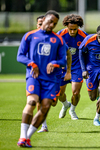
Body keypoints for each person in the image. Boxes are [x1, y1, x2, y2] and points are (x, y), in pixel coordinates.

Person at [17, 10, 67, 147]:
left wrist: (55, 63)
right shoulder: (29, 35)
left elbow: (63, 60)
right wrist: (31, 63)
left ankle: (27, 137)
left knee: (45, 107)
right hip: (34, 77)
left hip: (51, 80)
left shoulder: (59, 39)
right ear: (44, 19)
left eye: (55, 24)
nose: (52, 25)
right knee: (32, 102)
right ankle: (22, 136)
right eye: (50, 21)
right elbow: (20, 56)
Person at [36, 15, 72, 133]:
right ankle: (43, 126)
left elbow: (67, 54)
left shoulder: (57, 39)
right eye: (39, 24)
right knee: (38, 100)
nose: (42, 26)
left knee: (53, 102)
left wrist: (67, 70)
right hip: (37, 75)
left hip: (55, 75)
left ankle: (66, 104)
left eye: (43, 23)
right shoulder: (32, 37)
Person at [57, 14, 88, 120]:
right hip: (62, 67)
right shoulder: (60, 35)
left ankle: (72, 110)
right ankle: (66, 104)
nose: (73, 32)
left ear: (78, 27)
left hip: (77, 67)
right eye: (70, 29)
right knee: (59, 93)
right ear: (66, 26)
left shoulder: (84, 36)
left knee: (76, 92)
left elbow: (88, 52)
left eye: (75, 29)